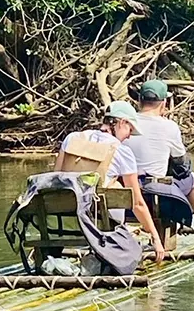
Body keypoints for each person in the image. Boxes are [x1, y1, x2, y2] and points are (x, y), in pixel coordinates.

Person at [54, 100, 167, 262]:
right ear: (122, 123)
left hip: (64, 222)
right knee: (117, 187)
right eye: (130, 129)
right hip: (99, 226)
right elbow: (137, 203)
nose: (129, 136)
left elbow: (55, 177)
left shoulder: (72, 139)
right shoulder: (122, 151)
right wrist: (155, 238)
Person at [125, 78, 194, 245]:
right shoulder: (168, 127)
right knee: (191, 179)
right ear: (163, 103)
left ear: (140, 100)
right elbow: (181, 163)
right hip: (154, 196)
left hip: (126, 196)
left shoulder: (125, 123)